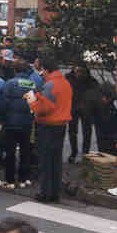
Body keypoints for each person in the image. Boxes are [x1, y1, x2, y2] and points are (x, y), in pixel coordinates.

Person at [26, 56, 73, 203]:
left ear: (45, 70)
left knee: (45, 161)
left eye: (41, 71)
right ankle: (54, 193)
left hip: (47, 126)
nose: (41, 74)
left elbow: (43, 108)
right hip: (61, 125)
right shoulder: (65, 83)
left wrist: (31, 101)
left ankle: (45, 193)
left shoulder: (50, 85)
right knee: (56, 159)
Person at [0, 61, 36, 188]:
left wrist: (1, 119)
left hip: (11, 122)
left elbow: (3, 103)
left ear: (15, 71)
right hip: (26, 123)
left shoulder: (9, 83)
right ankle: (23, 179)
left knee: (10, 152)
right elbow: (33, 105)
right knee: (25, 151)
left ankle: (10, 180)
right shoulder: (31, 84)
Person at [66, 63, 100, 162]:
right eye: (77, 71)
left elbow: (96, 96)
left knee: (87, 132)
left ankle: (85, 153)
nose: (79, 73)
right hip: (73, 108)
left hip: (87, 110)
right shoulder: (69, 79)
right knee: (72, 132)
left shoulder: (92, 81)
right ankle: (74, 152)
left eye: (81, 71)